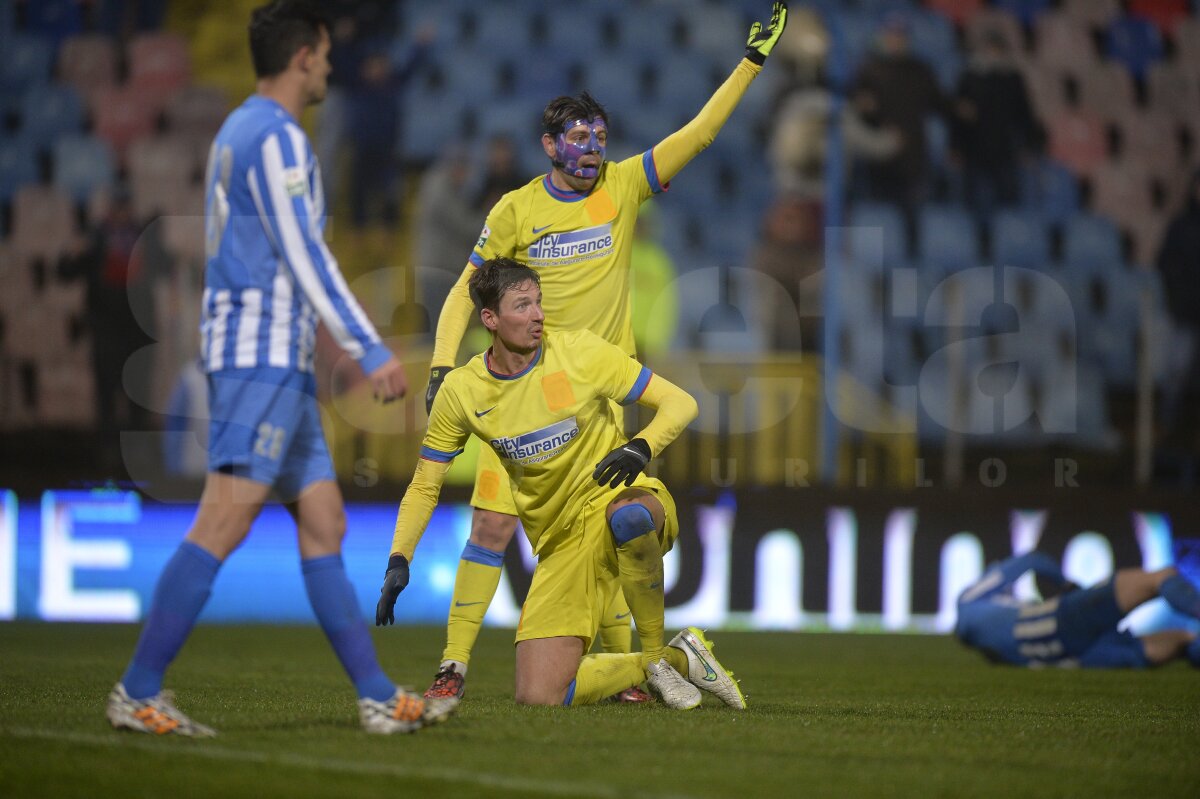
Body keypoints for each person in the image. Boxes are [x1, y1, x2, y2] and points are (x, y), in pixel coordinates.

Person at [418, 1, 790, 702]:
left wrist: (752, 60)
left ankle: (636, 664)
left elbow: (703, 132)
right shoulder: (515, 210)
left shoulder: (622, 186)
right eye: (579, 136)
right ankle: (455, 663)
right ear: (549, 145)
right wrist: (442, 364)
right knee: (493, 522)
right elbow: (467, 294)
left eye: (601, 136)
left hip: (593, 396)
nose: (593, 147)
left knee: (603, 528)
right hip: (520, 392)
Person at [105, 0, 452, 737]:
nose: (329, 65)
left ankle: (377, 695)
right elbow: (305, 255)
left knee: (323, 520)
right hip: (257, 358)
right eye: (324, 54)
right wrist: (367, 346)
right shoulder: (279, 140)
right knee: (225, 516)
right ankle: (136, 689)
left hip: (276, 360)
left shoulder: (240, 129)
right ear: (302, 57)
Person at [378, 257, 746, 710]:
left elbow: (680, 403)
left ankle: (651, 655)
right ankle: (678, 658)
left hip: (620, 499)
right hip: (560, 541)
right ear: (490, 319)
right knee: (538, 695)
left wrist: (640, 447)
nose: (537, 315)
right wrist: (399, 556)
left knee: (630, 517)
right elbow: (424, 484)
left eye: (538, 302)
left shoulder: (579, 352)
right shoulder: (462, 391)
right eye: (522, 305)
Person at [955, 551, 1200, 668]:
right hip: (1059, 620)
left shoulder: (992, 646)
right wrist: (1068, 585)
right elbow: (1034, 560)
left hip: (1073, 656)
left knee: (1180, 642)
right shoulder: (969, 601)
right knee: (1160, 577)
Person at [952, 30, 1038, 224]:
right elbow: (958, 115)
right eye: (990, 49)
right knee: (973, 201)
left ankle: (1008, 239)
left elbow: (1024, 115)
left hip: (1005, 149)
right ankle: (975, 240)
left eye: (997, 50)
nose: (993, 54)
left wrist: (1028, 146)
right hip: (974, 148)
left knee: (1008, 201)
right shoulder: (968, 77)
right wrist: (955, 147)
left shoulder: (1013, 79)